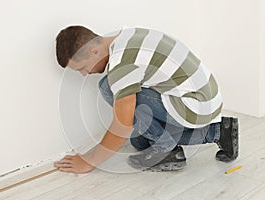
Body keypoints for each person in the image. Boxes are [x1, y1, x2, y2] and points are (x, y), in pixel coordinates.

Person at [54, 25, 239, 173]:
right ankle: (220, 131)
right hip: (206, 96)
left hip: (195, 104)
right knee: (138, 141)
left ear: (94, 51)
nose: (84, 74)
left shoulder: (121, 64)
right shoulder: (125, 36)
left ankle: (167, 151)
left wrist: (89, 161)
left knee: (108, 87)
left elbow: (123, 125)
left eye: (82, 67)